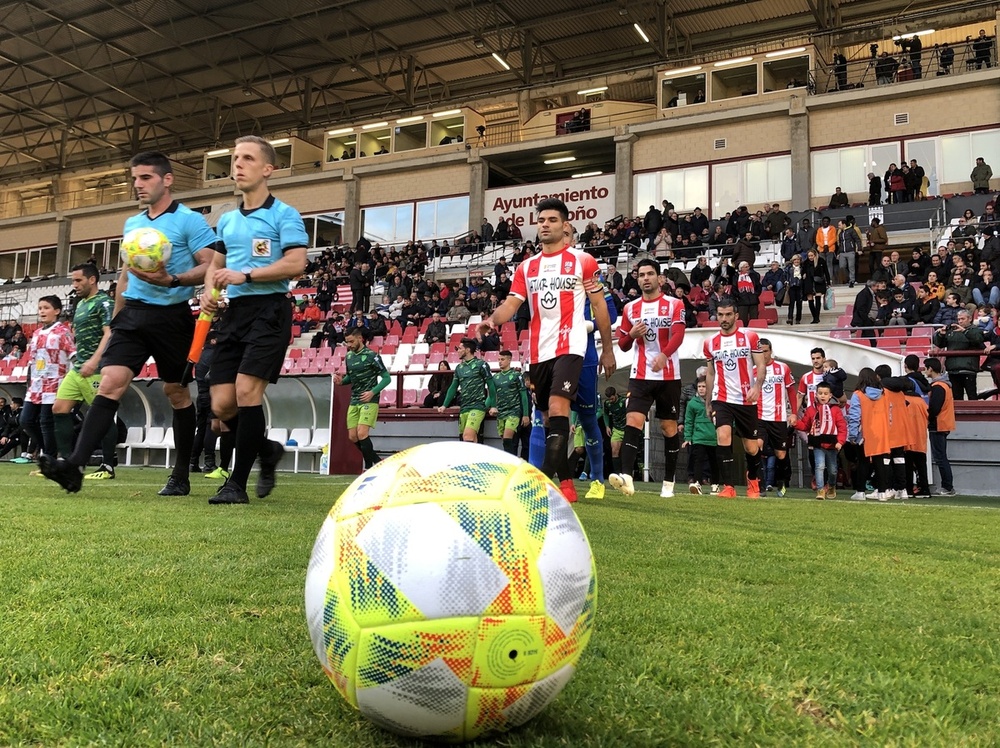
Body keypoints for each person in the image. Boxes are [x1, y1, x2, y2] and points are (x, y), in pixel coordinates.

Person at [40, 151, 217, 496]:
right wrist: (119, 314)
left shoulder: (189, 220)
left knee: (176, 393)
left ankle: (181, 475)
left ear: (167, 180)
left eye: (146, 177)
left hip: (172, 316)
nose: (138, 184)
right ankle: (74, 466)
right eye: (135, 178)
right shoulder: (133, 224)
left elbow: (208, 265)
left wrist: (174, 280)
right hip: (133, 315)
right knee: (111, 383)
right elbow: (124, 276)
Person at [200, 135, 309, 505]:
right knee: (221, 406)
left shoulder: (284, 214)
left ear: (267, 169)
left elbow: (296, 263)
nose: (238, 165)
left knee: (247, 392)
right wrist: (209, 295)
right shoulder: (227, 220)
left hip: (269, 310)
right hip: (234, 315)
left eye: (247, 158)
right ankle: (267, 449)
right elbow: (216, 265)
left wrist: (244, 275)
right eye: (234, 158)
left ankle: (236, 485)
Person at [487, 198, 615, 502]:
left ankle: (544, 484)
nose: (545, 224)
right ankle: (567, 484)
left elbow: (600, 307)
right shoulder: (526, 267)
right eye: (541, 220)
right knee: (546, 419)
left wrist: (608, 350)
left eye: (552, 220)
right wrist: (491, 320)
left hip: (572, 347)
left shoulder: (583, 261)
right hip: (539, 352)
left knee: (565, 411)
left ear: (565, 225)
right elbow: (512, 304)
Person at [607, 258, 686, 498]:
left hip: (669, 375)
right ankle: (627, 477)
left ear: (659, 278)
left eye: (650, 274)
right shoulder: (630, 308)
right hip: (640, 375)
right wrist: (630, 334)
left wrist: (664, 355)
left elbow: (679, 335)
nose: (646, 278)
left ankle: (668, 482)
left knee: (668, 427)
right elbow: (622, 345)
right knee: (633, 421)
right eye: (641, 275)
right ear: (637, 278)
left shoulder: (674, 304)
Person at [51, 263, 118, 479]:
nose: (74, 285)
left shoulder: (104, 302)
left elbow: (110, 334)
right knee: (59, 408)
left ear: (92, 280)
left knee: (101, 416)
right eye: (73, 280)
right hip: (79, 367)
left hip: (97, 368)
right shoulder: (80, 304)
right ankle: (69, 462)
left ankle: (108, 466)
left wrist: (95, 360)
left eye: (78, 280)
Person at [703, 298, 766, 498]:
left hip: (746, 398)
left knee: (751, 446)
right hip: (722, 397)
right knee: (723, 436)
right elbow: (711, 373)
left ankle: (754, 480)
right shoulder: (710, 342)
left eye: (728, 314)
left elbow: (761, 365)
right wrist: (708, 401)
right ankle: (728, 487)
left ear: (736, 316)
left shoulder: (750, 337)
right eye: (720, 314)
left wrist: (757, 386)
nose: (724, 318)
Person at [21, 296, 74, 464]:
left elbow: (73, 355)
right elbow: (33, 360)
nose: (42, 311)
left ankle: (49, 457)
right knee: (25, 420)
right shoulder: (36, 333)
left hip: (55, 383)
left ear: (57, 311)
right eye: (40, 308)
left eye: (46, 308)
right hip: (36, 385)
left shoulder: (63, 332)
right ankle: (46, 450)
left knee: (46, 421)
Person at [335, 327, 391, 469]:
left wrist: (373, 392)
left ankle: (368, 466)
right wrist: (341, 381)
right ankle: (377, 461)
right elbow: (350, 377)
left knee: (361, 433)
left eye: (351, 341)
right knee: (352, 437)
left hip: (369, 399)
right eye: (347, 342)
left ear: (360, 339)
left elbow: (386, 378)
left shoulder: (373, 356)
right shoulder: (348, 356)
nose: (349, 345)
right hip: (354, 399)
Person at [755, 338, 797, 497]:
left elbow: (791, 391)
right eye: (760, 351)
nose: (763, 354)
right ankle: (760, 485)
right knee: (756, 448)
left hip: (778, 417)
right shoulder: (752, 369)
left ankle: (781, 482)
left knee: (781, 454)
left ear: (770, 351)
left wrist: (793, 412)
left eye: (765, 351)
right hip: (759, 416)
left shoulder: (782, 368)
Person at [846, 367, 892, 501]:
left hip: (864, 433)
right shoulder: (884, 394)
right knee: (880, 463)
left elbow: (855, 416)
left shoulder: (858, 395)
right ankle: (882, 492)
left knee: (863, 462)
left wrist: (853, 435)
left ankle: (860, 491)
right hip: (881, 432)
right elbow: (889, 415)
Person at [439, 338, 495, 444]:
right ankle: (476, 460)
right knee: (470, 439)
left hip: (477, 406)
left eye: (460, 348)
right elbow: (453, 387)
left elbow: (491, 385)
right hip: (464, 406)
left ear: (468, 350)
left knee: (467, 436)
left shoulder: (481, 364)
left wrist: (493, 405)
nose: (457, 351)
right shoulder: (459, 367)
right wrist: (444, 405)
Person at [796, 382, 847, 500]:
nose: (822, 396)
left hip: (832, 444)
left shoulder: (835, 409)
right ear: (816, 395)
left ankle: (831, 486)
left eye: (825, 393)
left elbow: (842, 427)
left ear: (830, 395)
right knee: (819, 466)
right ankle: (820, 490)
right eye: (820, 393)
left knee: (833, 470)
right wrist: (795, 424)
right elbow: (805, 425)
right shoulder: (811, 409)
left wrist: (840, 441)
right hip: (817, 444)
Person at [932, 309, 984, 400]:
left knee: (972, 397)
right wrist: (941, 334)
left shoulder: (976, 330)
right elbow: (939, 344)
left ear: (970, 319)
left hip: (968, 368)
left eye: (962, 319)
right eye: (959, 319)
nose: (960, 321)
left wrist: (964, 331)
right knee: (956, 398)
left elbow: (978, 340)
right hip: (953, 370)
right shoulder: (952, 331)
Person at [925, 357, 956, 496]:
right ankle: (947, 486)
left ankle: (947, 487)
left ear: (930, 369)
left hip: (938, 424)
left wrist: (928, 418)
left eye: (926, 368)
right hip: (944, 423)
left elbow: (935, 408)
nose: (925, 371)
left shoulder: (938, 386)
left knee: (940, 457)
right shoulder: (945, 385)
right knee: (941, 456)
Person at [683, 378, 718, 493]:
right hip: (698, 437)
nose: (702, 389)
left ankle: (715, 484)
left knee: (714, 461)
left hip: (713, 437)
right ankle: (697, 483)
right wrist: (687, 437)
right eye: (699, 387)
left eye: (704, 386)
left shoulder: (715, 402)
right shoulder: (692, 403)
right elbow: (688, 421)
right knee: (698, 460)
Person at [490, 350, 529, 455]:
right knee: (505, 441)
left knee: (508, 439)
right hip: (501, 412)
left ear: (509, 360)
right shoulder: (495, 377)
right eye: (499, 359)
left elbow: (523, 395)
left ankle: (511, 463)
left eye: (502, 359)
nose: (500, 362)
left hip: (513, 411)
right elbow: (492, 395)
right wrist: (489, 407)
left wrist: (525, 414)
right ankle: (512, 460)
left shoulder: (517, 376)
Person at [603, 386, 627, 476]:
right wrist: (607, 426)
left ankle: (627, 473)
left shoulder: (623, 401)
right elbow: (605, 413)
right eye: (609, 399)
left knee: (626, 452)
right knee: (614, 451)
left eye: (612, 398)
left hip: (626, 429)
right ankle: (617, 474)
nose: (611, 401)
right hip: (616, 429)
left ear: (615, 394)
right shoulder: (607, 403)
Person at [836, 218, 860, 287]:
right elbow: (840, 244)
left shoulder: (851, 231)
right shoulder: (840, 233)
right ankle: (846, 279)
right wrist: (838, 253)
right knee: (842, 267)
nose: (838, 226)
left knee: (851, 267)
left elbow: (857, 239)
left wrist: (859, 249)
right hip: (842, 252)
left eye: (839, 225)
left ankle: (852, 280)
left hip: (850, 251)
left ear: (844, 224)